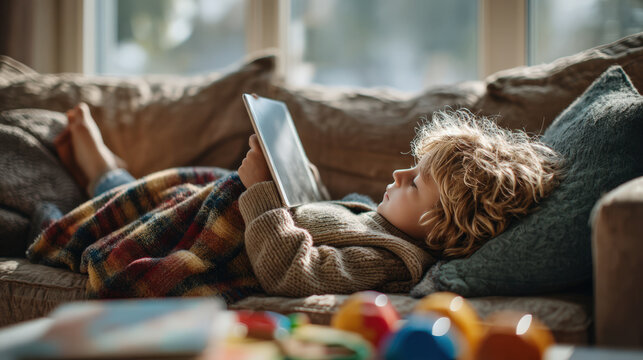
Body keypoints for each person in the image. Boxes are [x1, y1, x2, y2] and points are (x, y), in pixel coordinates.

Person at [28, 102, 563, 300]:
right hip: (224, 208)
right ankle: (102, 175)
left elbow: (295, 271)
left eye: (415, 183)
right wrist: (296, 181)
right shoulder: (386, 225)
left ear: (443, 227)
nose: (399, 174)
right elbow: (321, 221)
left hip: (223, 240)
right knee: (172, 192)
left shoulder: (391, 259)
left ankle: (93, 181)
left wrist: (262, 192)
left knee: (144, 213)